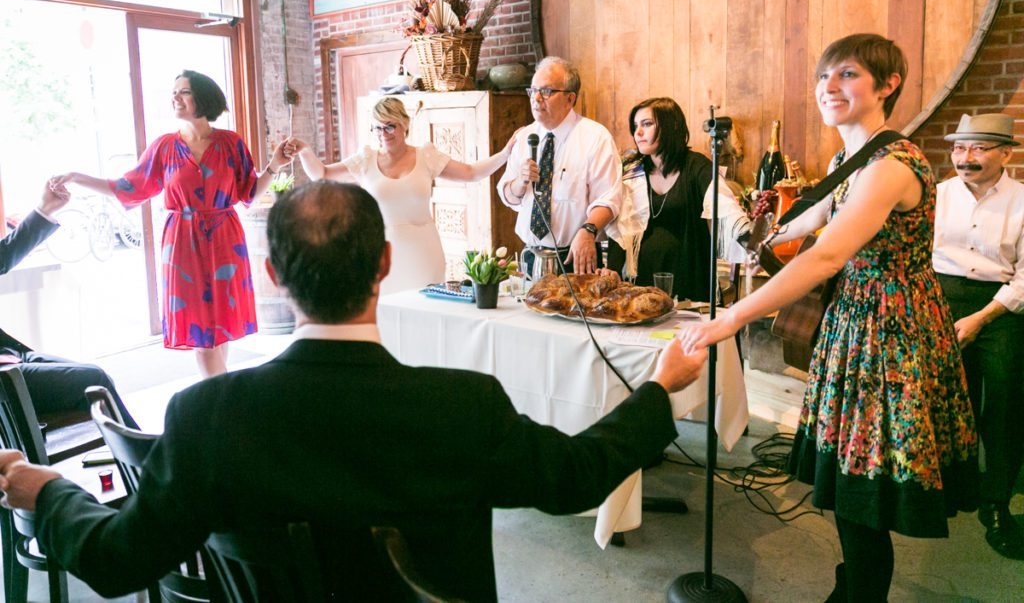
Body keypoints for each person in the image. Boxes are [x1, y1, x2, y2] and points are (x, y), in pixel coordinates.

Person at [0, 181, 705, 601]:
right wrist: (661, 388)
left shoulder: (205, 416)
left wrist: (47, 490)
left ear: (273, 275)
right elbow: (575, 477)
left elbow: (119, 558)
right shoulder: (463, 405)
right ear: (386, 264)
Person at [677, 33, 978, 601]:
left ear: (888, 85)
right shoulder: (851, 157)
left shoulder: (893, 164)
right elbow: (813, 217)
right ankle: (853, 585)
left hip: (892, 335)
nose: (829, 87)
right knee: (846, 477)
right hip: (855, 326)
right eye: (823, 76)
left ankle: (861, 593)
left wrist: (731, 318)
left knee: (867, 488)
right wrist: (764, 232)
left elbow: (828, 255)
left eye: (847, 75)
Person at [53, 70, 292, 378]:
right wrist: (77, 177)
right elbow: (128, 186)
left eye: (184, 92)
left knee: (219, 332)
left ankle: (217, 403)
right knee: (203, 337)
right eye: (174, 92)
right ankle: (220, 404)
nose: (175, 97)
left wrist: (274, 165)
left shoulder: (231, 143)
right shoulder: (165, 147)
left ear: (203, 98)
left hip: (225, 239)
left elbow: (249, 192)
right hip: (183, 243)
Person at [291, 96, 513, 294]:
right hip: (381, 253)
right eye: (377, 128)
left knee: (426, 315)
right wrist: (303, 150)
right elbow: (321, 173)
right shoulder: (365, 160)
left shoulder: (426, 156)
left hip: (424, 252)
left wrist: (505, 154)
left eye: (389, 127)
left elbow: (471, 172)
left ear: (404, 125)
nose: (383, 134)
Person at [933, 112, 1024, 560]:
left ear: (1006, 153)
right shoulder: (937, 195)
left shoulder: (1023, 201)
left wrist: (982, 318)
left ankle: (996, 503)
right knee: (949, 399)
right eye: (958, 148)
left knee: (1004, 403)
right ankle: (953, 489)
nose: (964, 158)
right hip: (940, 298)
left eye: (977, 149)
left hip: (1002, 306)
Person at [1, 179, 137, 427]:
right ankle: (144, 458)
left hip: (10, 357)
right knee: (94, 380)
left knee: (94, 377)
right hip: (4, 377)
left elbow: (3, 257)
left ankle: (139, 456)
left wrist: (45, 209)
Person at [606, 97, 750, 299]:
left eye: (646, 124)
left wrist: (747, 236)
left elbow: (722, 201)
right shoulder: (632, 172)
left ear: (670, 126)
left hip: (688, 280)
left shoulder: (696, 166)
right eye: (635, 126)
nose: (638, 132)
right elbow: (619, 225)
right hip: (642, 282)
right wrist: (612, 267)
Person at [496, 56, 622, 275]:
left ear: (570, 99)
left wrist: (588, 230)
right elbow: (508, 195)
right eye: (532, 90)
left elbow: (609, 199)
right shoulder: (526, 136)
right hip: (530, 257)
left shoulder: (595, 137)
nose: (536, 98)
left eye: (546, 91)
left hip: (574, 259)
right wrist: (520, 181)